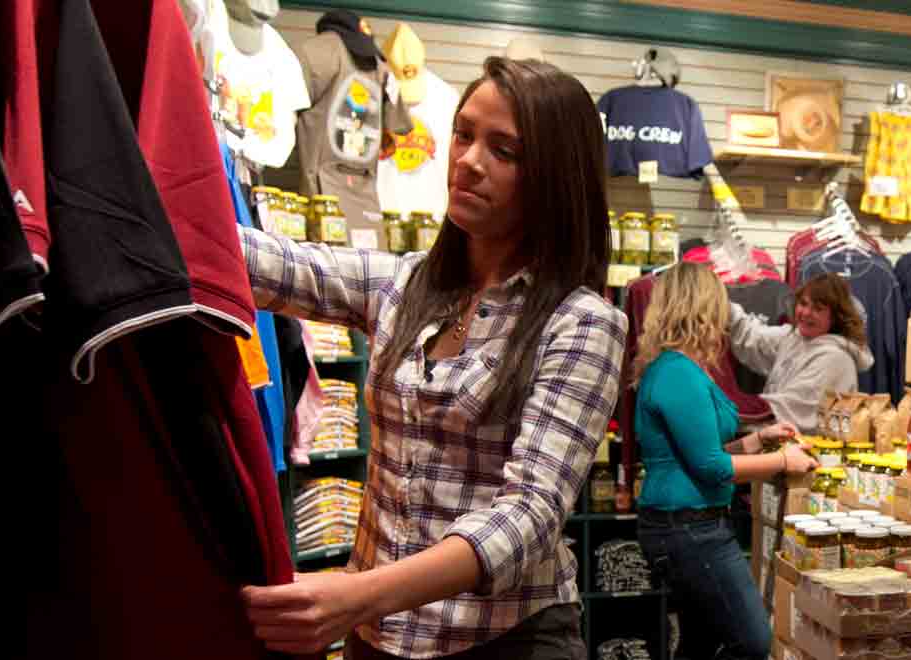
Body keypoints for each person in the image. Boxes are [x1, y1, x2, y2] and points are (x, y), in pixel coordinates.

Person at [238, 57, 623, 659]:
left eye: (505, 151)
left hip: (504, 640)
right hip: (380, 638)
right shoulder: (405, 284)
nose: (468, 161)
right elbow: (272, 264)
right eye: (464, 134)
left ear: (555, 176)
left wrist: (356, 594)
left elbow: (528, 515)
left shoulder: (582, 323)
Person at [630, 262, 819, 660]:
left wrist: (757, 440)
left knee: (701, 641)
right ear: (701, 305)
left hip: (686, 524)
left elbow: (701, 454)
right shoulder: (678, 372)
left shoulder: (678, 368)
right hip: (689, 529)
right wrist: (783, 461)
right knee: (752, 641)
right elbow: (713, 468)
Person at [728, 272, 876, 434]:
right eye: (803, 303)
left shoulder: (835, 358)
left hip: (814, 454)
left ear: (836, 317)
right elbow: (754, 337)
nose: (806, 313)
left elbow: (786, 408)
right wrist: (721, 304)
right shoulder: (796, 338)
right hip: (786, 447)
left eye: (817, 309)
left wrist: (722, 404)